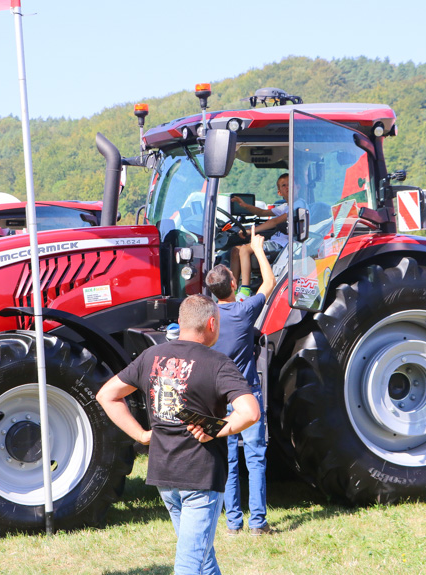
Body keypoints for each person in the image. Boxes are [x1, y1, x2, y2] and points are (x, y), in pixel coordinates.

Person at [96, 295, 260, 575]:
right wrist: (219, 428)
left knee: (202, 556)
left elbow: (107, 394)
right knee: (189, 564)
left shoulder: (151, 355)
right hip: (200, 477)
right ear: (211, 323)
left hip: (165, 474)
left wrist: (142, 435)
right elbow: (250, 412)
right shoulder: (218, 363)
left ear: (181, 323)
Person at [206, 227, 275, 536]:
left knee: (229, 462)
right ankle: (258, 522)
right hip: (247, 395)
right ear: (234, 284)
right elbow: (270, 284)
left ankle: (233, 523)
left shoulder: (208, 320)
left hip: (219, 400)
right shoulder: (245, 311)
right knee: (256, 458)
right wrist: (258, 249)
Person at [230, 173, 289, 298]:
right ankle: (233, 289)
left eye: (290, 184)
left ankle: (245, 290)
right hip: (276, 240)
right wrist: (245, 206)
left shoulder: (297, 204)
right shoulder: (285, 206)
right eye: (284, 185)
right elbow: (262, 212)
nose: (287, 187)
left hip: (284, 245)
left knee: (245, 249)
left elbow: (274, 221)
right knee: (235, 250)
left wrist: (251, 231)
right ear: (279, 193)